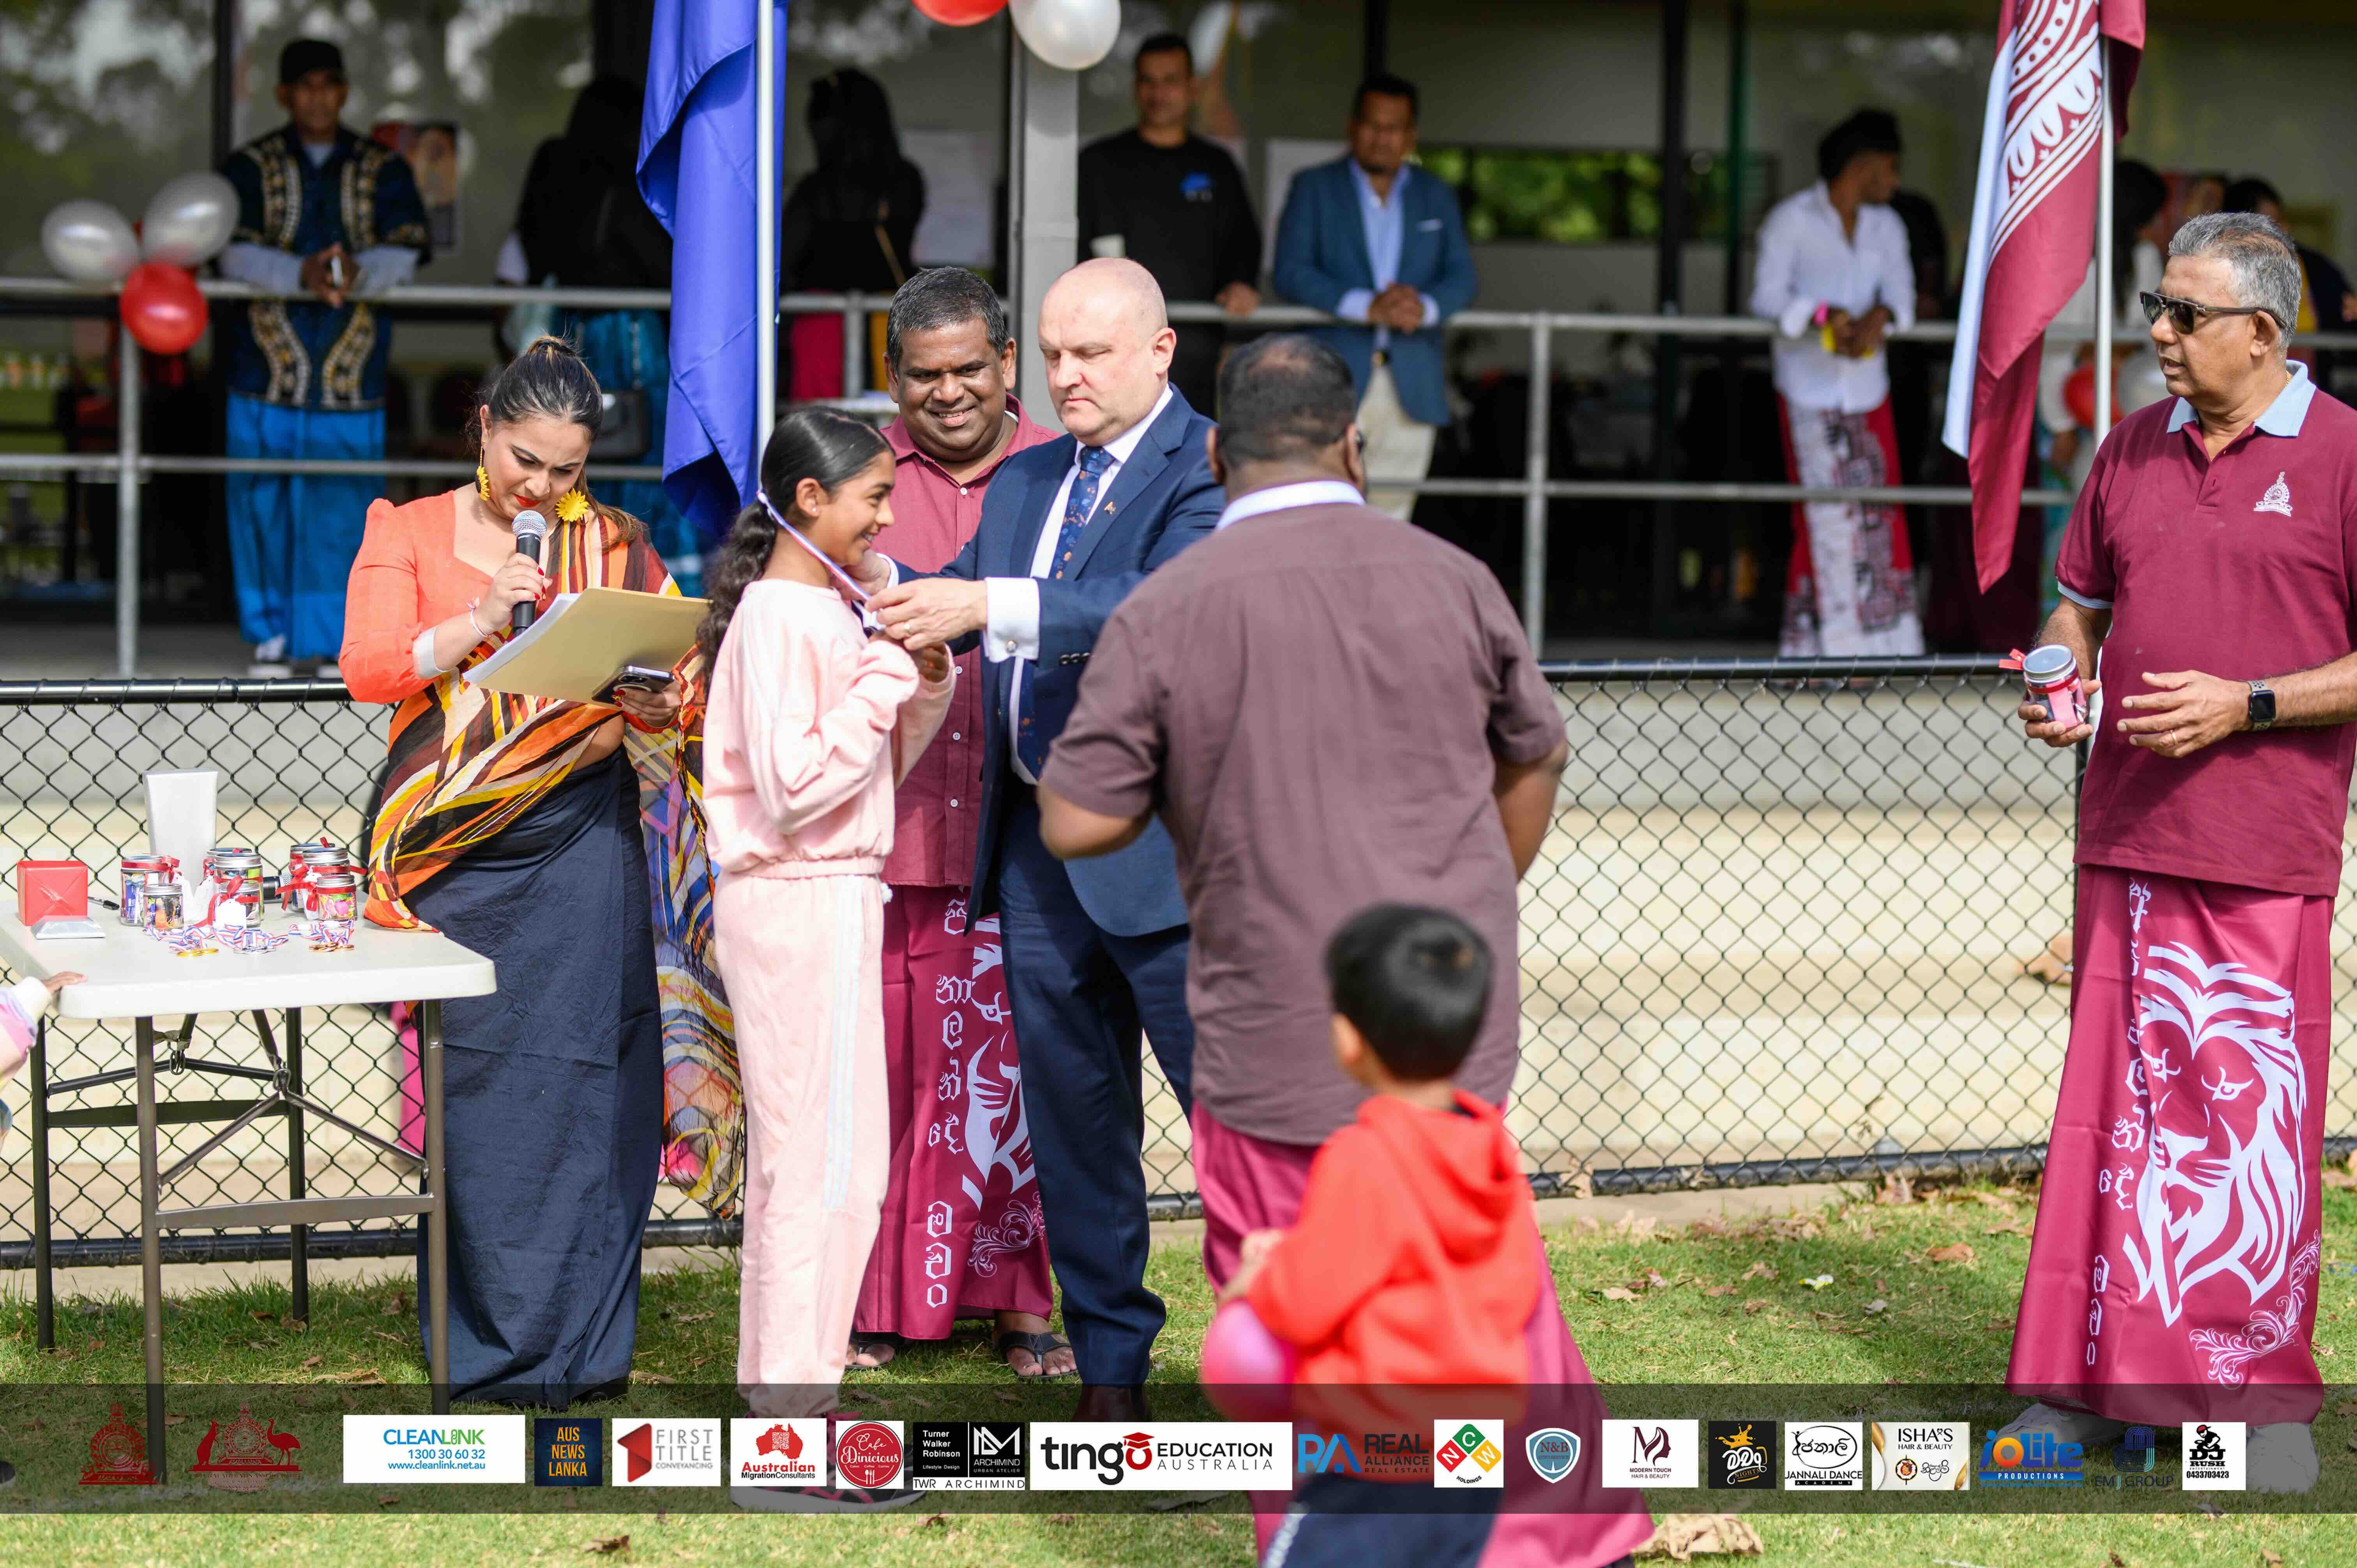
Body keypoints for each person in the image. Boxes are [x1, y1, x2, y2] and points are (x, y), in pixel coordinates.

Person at [1036, 334, 1647, 1568]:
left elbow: (1074, 820)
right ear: (1354, 445)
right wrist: (1476, 900)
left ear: (1216, 453)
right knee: (1484, 1293)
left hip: (1273, 1036)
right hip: (1442, 1033)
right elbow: (1536, 751)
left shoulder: (1171, 606)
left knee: (1300, 1331)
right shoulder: (1452, 576)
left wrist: (1181, 776)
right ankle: (1554, 1532)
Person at [2004, 212, 2357, 1492]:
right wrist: (2059, 675)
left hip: (2264, 856)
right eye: (2155, 306)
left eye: (2181, 313)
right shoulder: (2129, 447)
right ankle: (2082, 1393)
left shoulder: (2343, 457)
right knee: (2112, 1128)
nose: (2154, 330)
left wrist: (2247, 704)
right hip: (2127, 843)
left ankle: (2250, 1417)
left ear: (2261, 333)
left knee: (2241, 1136)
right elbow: (2076, 604)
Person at [861, 258, 1219, 1421]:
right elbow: (950, 595)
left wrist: (986, 605)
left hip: (1173, 862)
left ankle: (1306, 1363)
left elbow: (1162, 607)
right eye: (1057, 355)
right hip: (1037, 860)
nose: (1067, 377)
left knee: (1236, 1133)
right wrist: (855, 576)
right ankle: (1113, 1379)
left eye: (1093, 354)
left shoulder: (1209, 466)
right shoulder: (1030, 480)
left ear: (1160, 351)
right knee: (1076, 1135)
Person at [341, 338, 719, 1406]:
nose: (544, 488)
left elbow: (682, 669)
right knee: (484, 1101)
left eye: (567, 468)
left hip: (585, 841)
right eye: (526, 461)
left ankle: (586, 1351)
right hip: (456, 855)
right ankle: (490, 1349)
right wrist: (479, 616)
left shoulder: (620, 543)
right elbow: (369, 668)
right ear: (485, 427)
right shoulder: (407, 529)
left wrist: (664, 698)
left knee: (595, 1086)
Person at [698, 408, 953, 1505]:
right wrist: (890, 671)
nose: (887, 517)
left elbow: (868, 770)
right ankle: (791, 1429)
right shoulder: (778, 613)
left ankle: (792, 1403)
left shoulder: (822, 607)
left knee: (828, 1163)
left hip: (830, 891)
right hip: (798, 898)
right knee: (818, 1168)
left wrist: (919, 674)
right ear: (811, 499)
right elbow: (800, 783)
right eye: (874, 497)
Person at [1221, 906, 1636, 1568]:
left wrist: (1259, 1279)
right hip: (1474, 1453)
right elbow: (1512, 1289)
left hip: (1379, 1452)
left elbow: (1305, 1304)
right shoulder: (1489, 1152)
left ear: (1347, 1039)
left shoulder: (1363, 1157)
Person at [848, 267, 1066, 1378]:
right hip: (892, 835)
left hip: (1033, 840)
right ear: (892, 376)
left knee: (1023, 1084)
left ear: (1007, 362)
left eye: (970, 369)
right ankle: (874, 1304)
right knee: (886, 1083)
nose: (948, 392)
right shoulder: (856, 482)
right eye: (924, 375)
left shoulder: (1067, 475)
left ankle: (1022, 1302)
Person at [220, 37, 429, 676]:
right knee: (261, 504)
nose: (318, 97)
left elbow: (407, 251)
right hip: (264, 376)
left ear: (344, 92)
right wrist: (299, 273)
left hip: (350, 379)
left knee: (344, 510)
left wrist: (356, 272)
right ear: (284, 95)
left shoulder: (383, 168)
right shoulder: (248, 167)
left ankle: (341, 637)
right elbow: (229, 252)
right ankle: (270, 637)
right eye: (305, 85)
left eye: (329, 84)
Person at [499, 76, 698, 590]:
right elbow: (663, 264)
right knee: (644, 456)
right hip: (633, 334)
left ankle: (576, 577)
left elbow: (533, 248)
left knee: (575, 462)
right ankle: (647, 581)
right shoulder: (633, 179)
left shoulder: (555, 167)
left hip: (570, 332)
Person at [1748, 108, 1922, 656]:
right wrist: (1824, 316)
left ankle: (1886, 653)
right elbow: (1765, 298)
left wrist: (1881, 316)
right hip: (1808, 391)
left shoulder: (1887, 226)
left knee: (1875, 517)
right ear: (1863, 164)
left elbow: (1902, 295)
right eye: (1891, 167)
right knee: (1824, 518)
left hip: (1869, 391)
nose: (1895, 181)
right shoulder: (1790, 220)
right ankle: (1825, 654)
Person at [1271, 73, 1476, 521]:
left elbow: (1462, 276)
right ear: (1352, 126)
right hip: (1330, 379)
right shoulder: (1314, 187)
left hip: (1412, 383)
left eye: (1394, 127)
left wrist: (1424, 308)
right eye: (1372, 124)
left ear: (1411, 135)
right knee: (1319, 515)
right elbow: (1289, 271)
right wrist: (1366, 306)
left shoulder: (1435, 194)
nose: (1382, 137)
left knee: (1392, 520)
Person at [1078, 32, 1263, 414]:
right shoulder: (1099, 163)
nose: (1158, 92)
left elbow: (1244, 243)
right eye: (1149, 80)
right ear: (1135, 87)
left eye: (1170, 81)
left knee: (1189, 446)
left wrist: (1242, 286)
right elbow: (1071, 250)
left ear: (1193, 88)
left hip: (1196, 350)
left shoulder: (1217, 166)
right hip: (1112, 350)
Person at [781, 68, 925, 400]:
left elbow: (785, 261)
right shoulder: (906, 180)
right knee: (892, 416)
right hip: (891, 317)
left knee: (825, 421)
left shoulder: (815, 191)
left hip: (821, 320)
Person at [2221, 177, 2357, 378]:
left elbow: (2346, 317)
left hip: (2309, 385)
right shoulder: (2220, 273)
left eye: (2281, 221)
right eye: (2272, 224)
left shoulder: (2316, 269)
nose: (2284, 229)